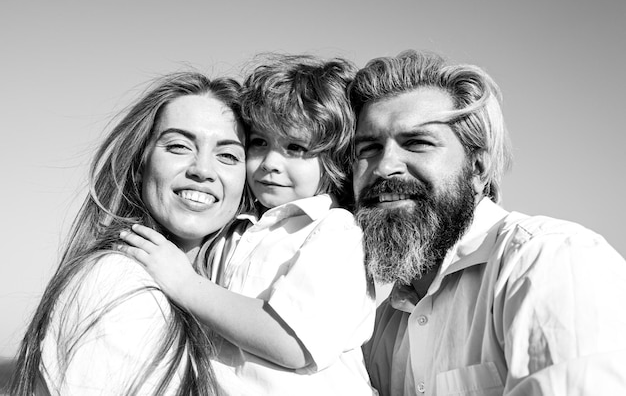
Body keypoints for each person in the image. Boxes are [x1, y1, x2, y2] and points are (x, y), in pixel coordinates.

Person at [348, 50, 626, 395]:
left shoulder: (549, 261)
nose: (385, 166)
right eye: (368, 149)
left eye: (417, 143)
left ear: (478, 168)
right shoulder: (377, 328)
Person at [120, 54, 377, 395]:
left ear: (332, 160)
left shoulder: (335, 231)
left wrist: (185, 283)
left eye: (295, 148)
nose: (271, 162)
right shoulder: (239, 229)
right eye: (259, 142)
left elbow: (291, 342)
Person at [10, 72, 249, 395]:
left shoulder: (218, 298)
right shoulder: (120, 280)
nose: (202, 170)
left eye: (228, 155)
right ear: (140, 165)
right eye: (179, 146)